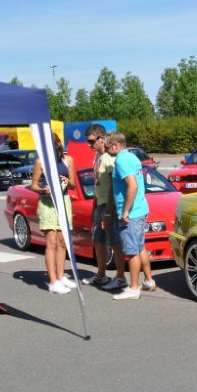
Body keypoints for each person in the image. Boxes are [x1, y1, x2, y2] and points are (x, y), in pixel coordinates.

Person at [104, 131, 155, 300]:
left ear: (116, 145)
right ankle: (148, 281)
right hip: (141, 209)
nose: (105, 150)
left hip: (132, 213)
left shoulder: (121, 160)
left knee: (132, 251)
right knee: (140, 247)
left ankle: (134, 288)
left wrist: (125, 211)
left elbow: (132, 186)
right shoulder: (133, 157)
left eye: (107, 146)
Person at [81, 124, 127, 291]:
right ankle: (101, 275)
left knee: (114, 241)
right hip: (100, 205)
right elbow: (97, 185)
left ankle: (121, 277)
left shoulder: (109, 159)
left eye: (91, 141)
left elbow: (113, 187)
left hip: (110, 207)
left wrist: (108, 212)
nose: (89, 144)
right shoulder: (98, 158)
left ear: (101, 138)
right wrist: (94, 209)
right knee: (98, 240)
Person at [30, 132, 76, 294]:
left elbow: (73, 185)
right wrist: (43, 189)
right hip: (47, 203)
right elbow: (33, 185)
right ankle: (53, 281)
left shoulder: (67, 160)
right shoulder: (40, 162)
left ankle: (61, 276)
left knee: (63, 242)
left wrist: (66, 181)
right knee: (52, 242)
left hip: (63, 201)